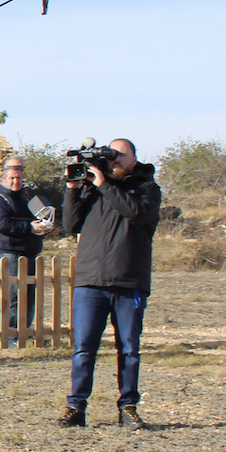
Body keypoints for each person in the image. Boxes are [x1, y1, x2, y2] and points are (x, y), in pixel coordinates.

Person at [59, 138, 161, 430]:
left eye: (120, 156)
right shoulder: (93, 189)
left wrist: (104, 184)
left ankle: (128, 406)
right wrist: (72, 189)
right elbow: (71, 225)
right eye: (111, 157)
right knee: (83, 349)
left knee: (129, 349)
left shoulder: (147, 189)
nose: (115, 161)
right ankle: (76, 407)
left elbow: (136, 213)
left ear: (134, 159)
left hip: (129, 282)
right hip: (90, 281)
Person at [0, 156, 53, 345]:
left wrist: (44, 227)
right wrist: (31, 227)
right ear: (3, 180)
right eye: (12, 178)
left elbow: (35, 221)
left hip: (29, 255)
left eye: (19, 178)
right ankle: (10, 336)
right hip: (9, 254)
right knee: (14, 295)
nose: (16, 182)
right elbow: (2, 224)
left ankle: (22, 332)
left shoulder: (26, 201)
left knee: (28, 297)